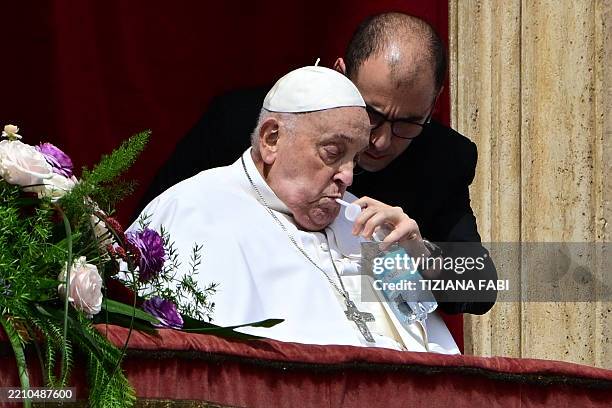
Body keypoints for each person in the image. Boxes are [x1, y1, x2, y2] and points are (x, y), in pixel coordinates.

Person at [138, 12, 496, 315]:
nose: (381, 141)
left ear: (432, 108)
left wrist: (423, 254)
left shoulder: (442, 159)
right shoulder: (238, 125)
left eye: (407, 123)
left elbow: (483, 285)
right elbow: (155, 233)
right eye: (371, 114)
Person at [131, 66, 460, 353]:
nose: (347, 175)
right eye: (333, 151)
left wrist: (423, 256)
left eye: (354, 159)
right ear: (271, 139)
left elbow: (490, 290)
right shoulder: (194, 211)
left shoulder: (368, 225)